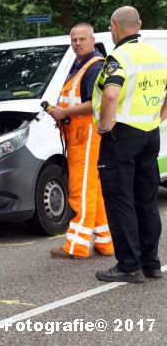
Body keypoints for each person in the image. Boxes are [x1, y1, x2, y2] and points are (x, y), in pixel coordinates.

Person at [93, 6, 167, 283]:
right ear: (139, 24)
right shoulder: (157, 55)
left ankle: (128, 265)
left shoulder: (119, 57)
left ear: (114, 26)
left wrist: (104, 126)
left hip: (122, 136)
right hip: (149, 134)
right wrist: (156, 117)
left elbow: (111, 95)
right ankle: (151, 263)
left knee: (119, 199)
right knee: (146, 200)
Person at [49, 23, 114, 259]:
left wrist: (65, 113)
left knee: (81, 190)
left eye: (82, 39)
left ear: (92, 39)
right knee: (93, 190)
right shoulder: (79, 65)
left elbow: (94, 104)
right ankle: (106, 243)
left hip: (86, 136)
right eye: (74, 39)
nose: (77, 43)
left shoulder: (93, 67)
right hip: (79, 135)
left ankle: (76, 246)